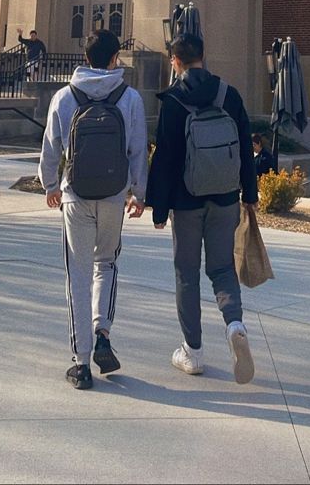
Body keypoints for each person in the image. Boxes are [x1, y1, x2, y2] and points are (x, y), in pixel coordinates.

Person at [146, 33, 258, 384]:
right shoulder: (230, 95)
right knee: (223, 268)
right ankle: (234, 325)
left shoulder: (174, 100)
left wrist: (159, 209)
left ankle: (193, 352)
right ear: (203, 57)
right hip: (225, 197)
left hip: (185, 199)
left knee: (187, 273)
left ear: (175, 61)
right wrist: (249, 194)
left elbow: (164, 157)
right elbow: (244, 147)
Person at [39, 29, 147, 391]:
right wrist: (139, 192)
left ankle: (81, 361)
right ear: (115, 58)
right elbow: (137, 148)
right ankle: (103, 331)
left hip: (76, 195)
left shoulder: (64, 96)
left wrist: (50, 186)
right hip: (115, 195)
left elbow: (51, 147)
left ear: (84, 58)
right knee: (107, 263)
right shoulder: (129, 97)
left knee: (78, 274)